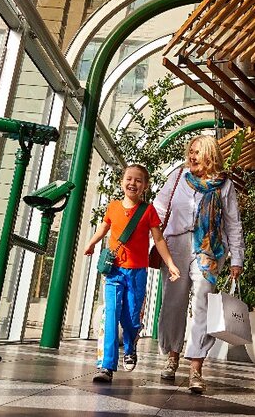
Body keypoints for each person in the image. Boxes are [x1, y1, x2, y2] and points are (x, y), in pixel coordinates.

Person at [154, 135, 244, 394]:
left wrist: (237, 257)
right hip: (177, 245)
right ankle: (172, 355)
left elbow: (233, 222)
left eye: (197, 152)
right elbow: (159, 209)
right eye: (190, 152)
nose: (191, 156)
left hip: (209, 250)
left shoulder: (224, 185)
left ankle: (196, 366)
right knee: (173, 302)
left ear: (210, 155)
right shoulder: (178, 177)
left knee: (203, 304)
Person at [84, 164, 180, 383]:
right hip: (114, 271)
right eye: (129, 178)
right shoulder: (113, 207)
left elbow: (158, 239)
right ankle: (106, 366)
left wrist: (171, 264)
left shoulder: (148, 211)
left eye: (138, 180)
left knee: (131, 319)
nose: (132, 183)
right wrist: (91, 243)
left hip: (137, 273)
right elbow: (103, 228)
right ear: (121, 182)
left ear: (145, 186)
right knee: (111, 316)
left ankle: (130, 346)